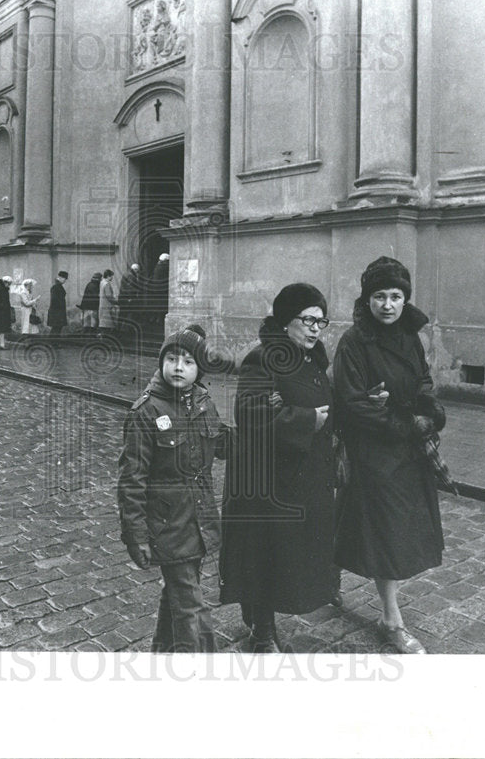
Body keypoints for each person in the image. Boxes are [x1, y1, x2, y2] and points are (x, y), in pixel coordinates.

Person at [219, 283, 342, 652]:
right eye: (307, 320)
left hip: (299, 475)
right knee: (264, 553)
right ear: (286, 321)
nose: (315, 329)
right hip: (266, 479)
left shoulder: (312, 359)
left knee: (287, 553)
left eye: (321, 322)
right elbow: (250, 412)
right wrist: (307, 420)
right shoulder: (264, 357)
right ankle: (261, 630)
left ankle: (267, 616)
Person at [332, 256, 446, 655]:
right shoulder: (354, 342)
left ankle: (335, 580)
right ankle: (391, 619)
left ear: (405, 298)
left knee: (392, 529)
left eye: (396, 296)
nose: (388, 305)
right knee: (386, 533)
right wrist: (403, 423)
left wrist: (429, 411)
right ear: (368, 299)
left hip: (408, 450)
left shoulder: (410, 335)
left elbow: (423, 378)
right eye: (379, 296)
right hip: (373, 450)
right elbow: (352, 402)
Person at [117, 325, 230, 652]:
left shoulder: (204, 403)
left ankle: (163, 653)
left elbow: (223, 443)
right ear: (161, 362)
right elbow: (131, 479)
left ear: (199, 369)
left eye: (188, 361)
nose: (178, 366)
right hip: (168, 527)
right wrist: (136, 535)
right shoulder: (146, 412)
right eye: (172, 358)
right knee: (192, 607)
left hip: (199, 521)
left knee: (180, 594)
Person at [47, 270, 68, 335]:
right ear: (60, 278)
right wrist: (60, 307)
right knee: (56, 329)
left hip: (58, 312)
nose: (65, 280)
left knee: (57, 329)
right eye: (64, 278)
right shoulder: (56, 287)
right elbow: (54, 300)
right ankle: (52, 343)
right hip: (57, 312)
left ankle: (54, 343)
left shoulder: (58, 286)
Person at [99, 269, 119, 337]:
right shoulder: (107, 284)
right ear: (108, 276)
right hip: (107, 305)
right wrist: (116, 302)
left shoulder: (102, 282)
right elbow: (109, 296)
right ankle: (105, 337)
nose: (112, 278)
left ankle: (102, 335)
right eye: (111, 276)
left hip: (102, 304)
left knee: (103, 322)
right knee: (107, 322)